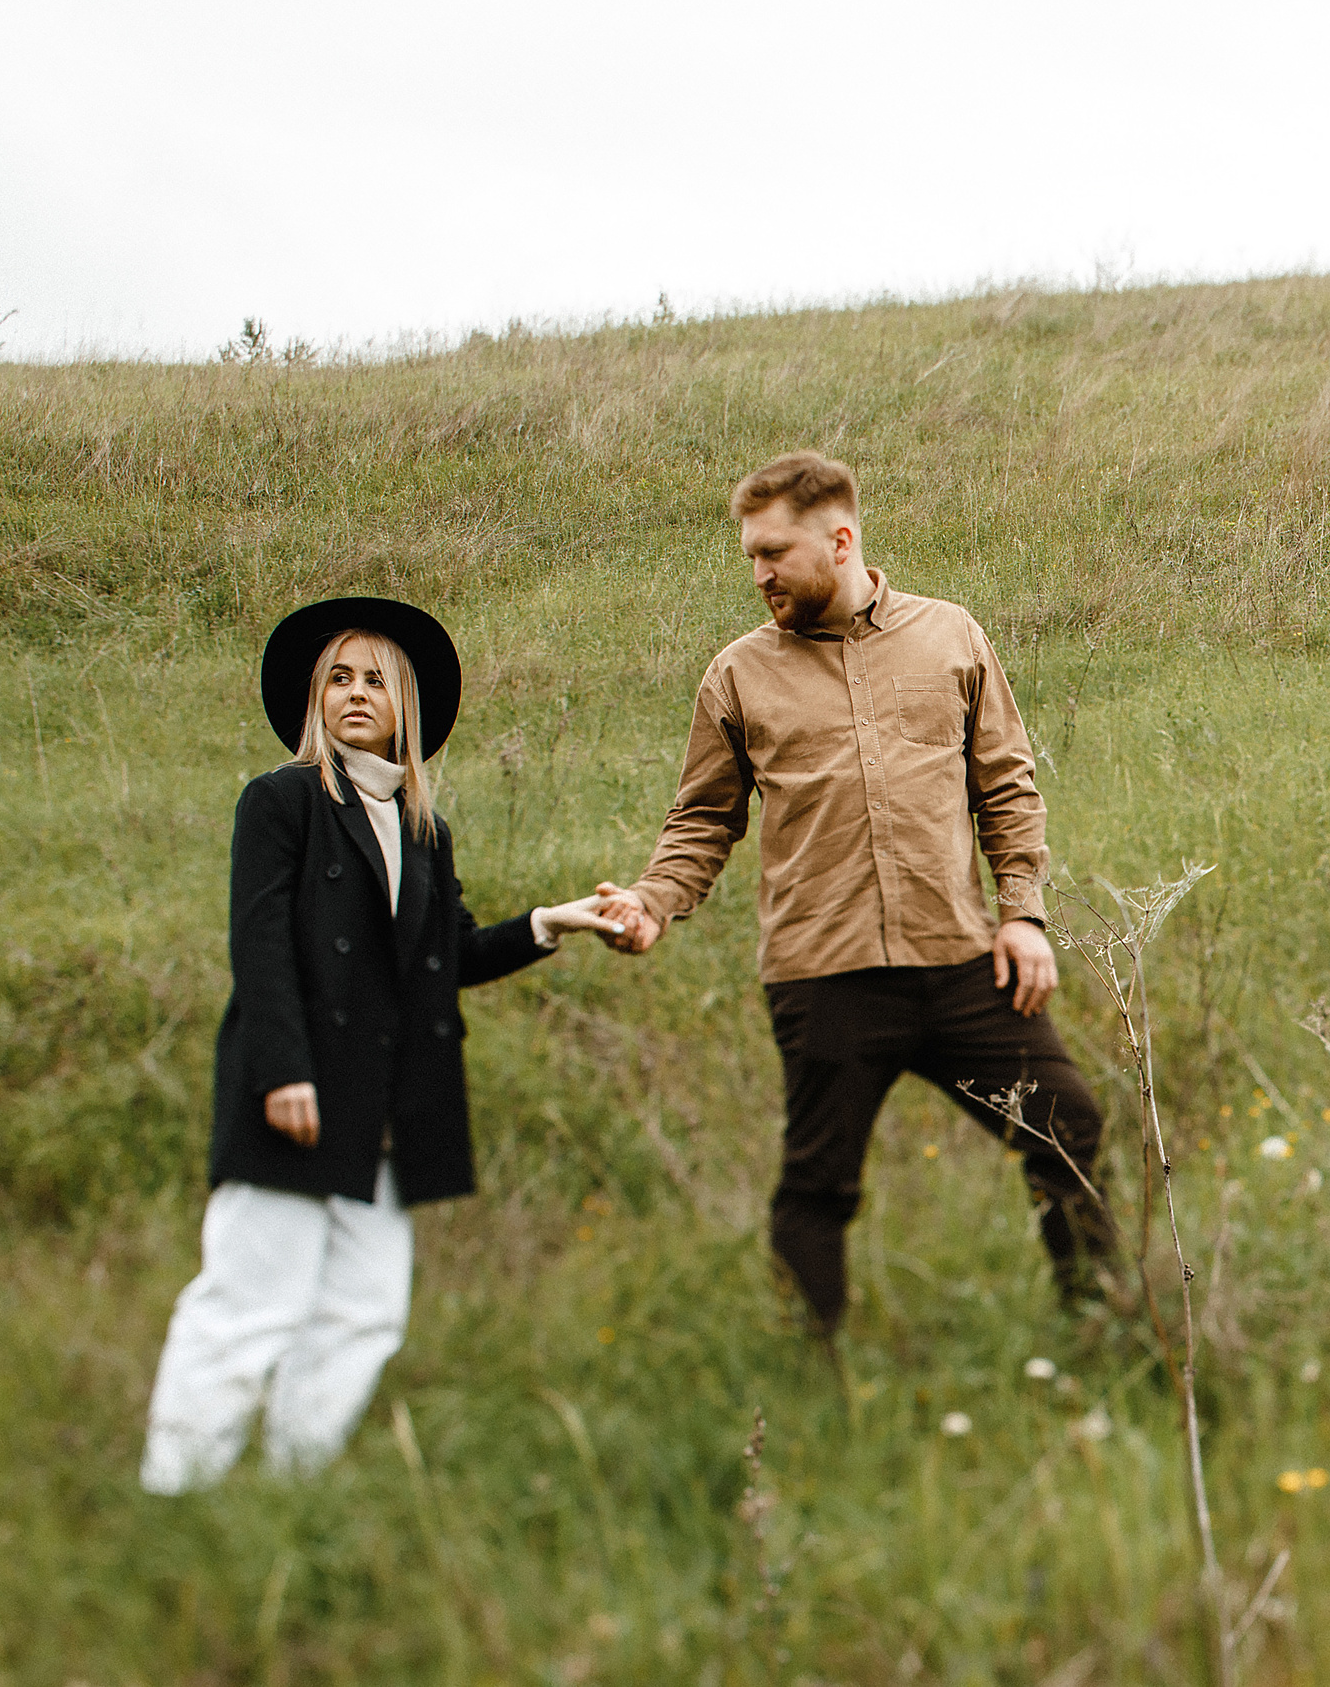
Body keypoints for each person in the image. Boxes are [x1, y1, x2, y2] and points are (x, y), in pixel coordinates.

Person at [592, 452, 1117, 1337]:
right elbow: (701, 822)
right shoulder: (738, 674)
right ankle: (809, 1382)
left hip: (961, 965)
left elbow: (1007, 787)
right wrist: (652, 901)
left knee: (1067, 1125)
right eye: (750, 556)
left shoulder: (951, 637)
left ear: (840, 541)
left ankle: (1102, 1331)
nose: (758, 574)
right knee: (818, 1184)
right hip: (823, 975)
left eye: (774, 553)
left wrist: (1022, 915)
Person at [140, 596, 623, 1493]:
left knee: (365, 1312)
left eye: (375, 679)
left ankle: (292, 1485)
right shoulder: (282, 801)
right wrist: (283, 1070)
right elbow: (261, 944)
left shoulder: (422, 829)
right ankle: (176, 1486)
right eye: (338, 677)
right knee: (250, 1303)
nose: (355, 693)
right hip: (299, 1088)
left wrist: (551, 923)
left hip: (391, 1109)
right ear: (313, 699)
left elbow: (446, 960)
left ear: (406, 705)